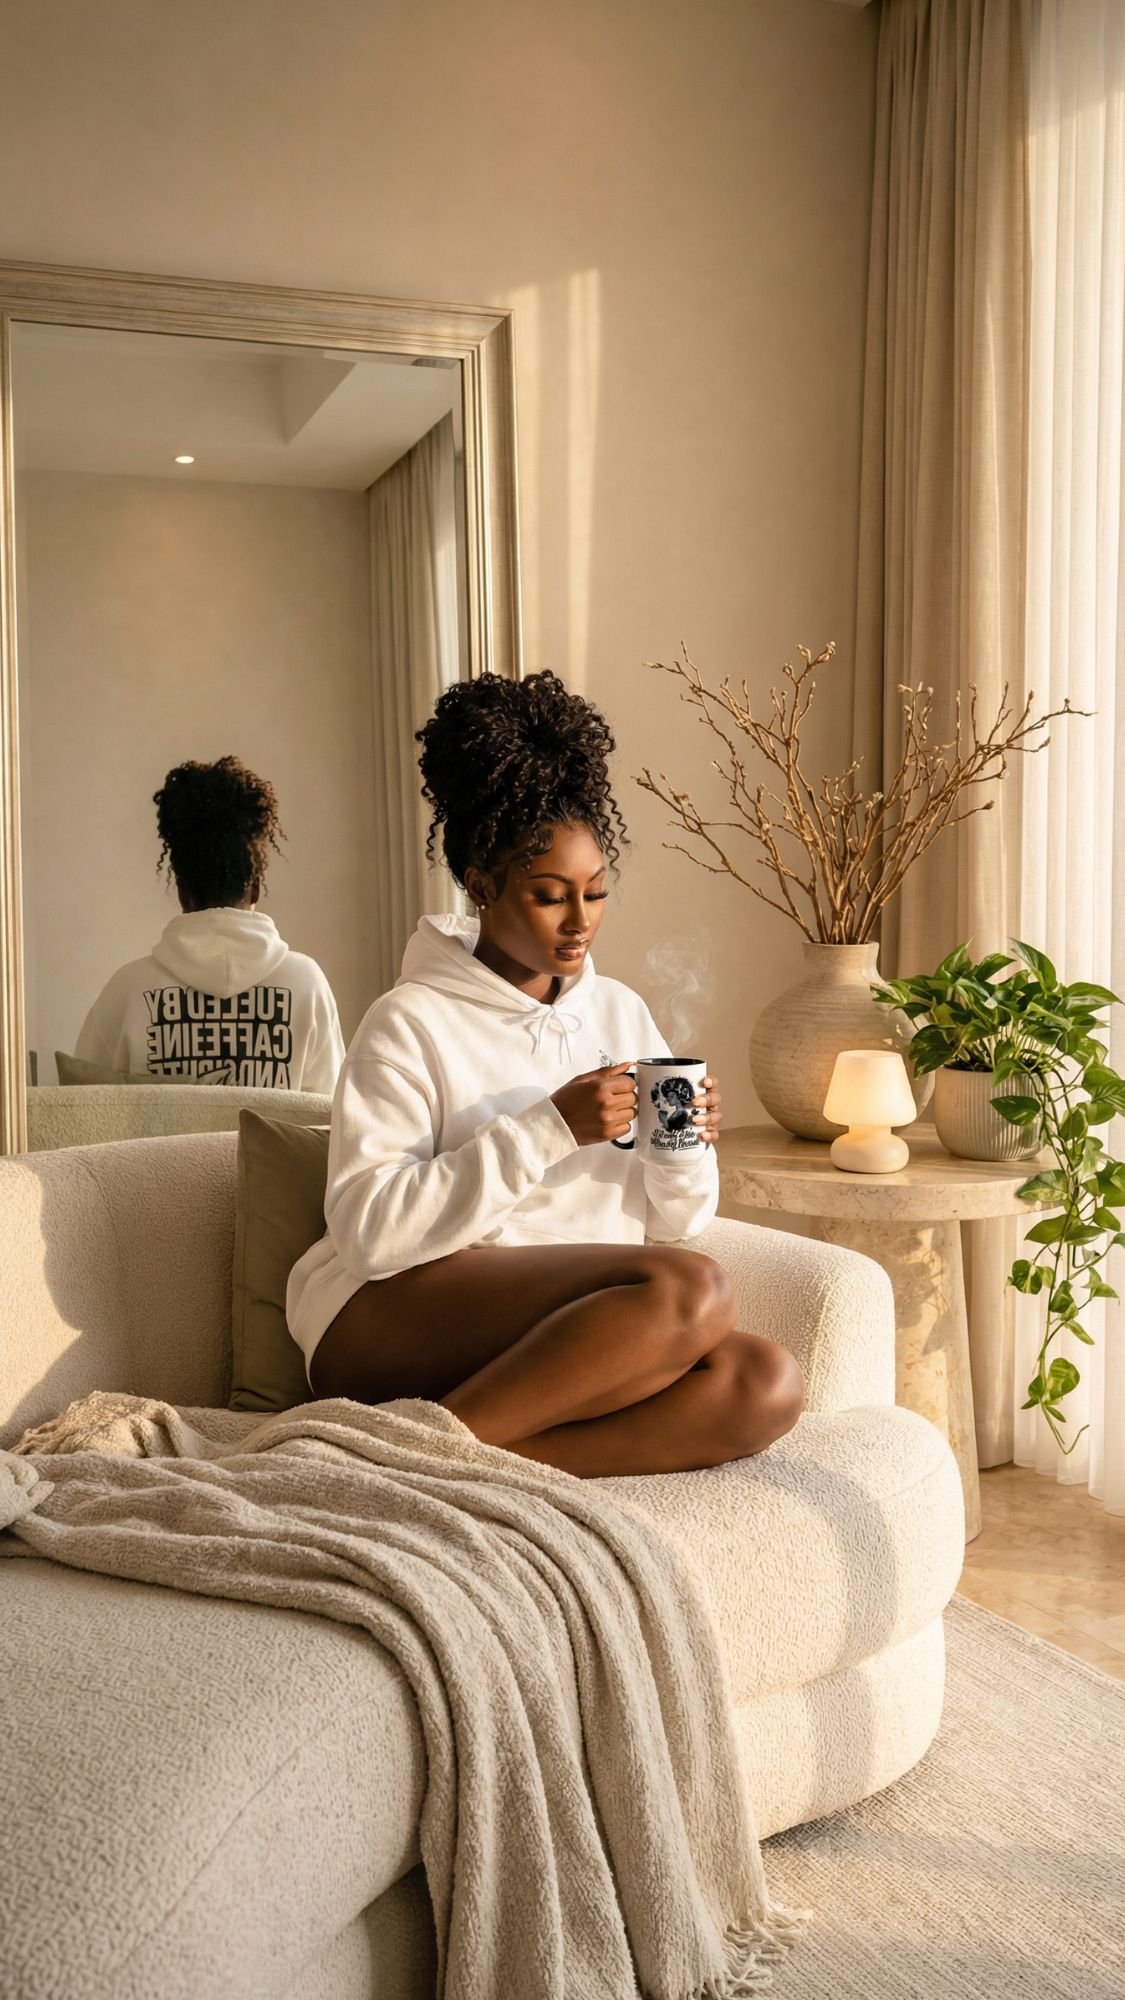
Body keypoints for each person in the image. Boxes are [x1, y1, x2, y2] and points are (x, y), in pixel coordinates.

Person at [287, 672, 803, 1476]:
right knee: (693, 1291)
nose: (579, 921)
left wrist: (685, 1146)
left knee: (764, 1381)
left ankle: (438, 1461)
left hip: (565, 1344)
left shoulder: (620, 1012)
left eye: (595, 893)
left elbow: (676, 1226)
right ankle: (426, 1450)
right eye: (549, 895)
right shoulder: (409, 1020)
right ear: (482, 887)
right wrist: (551, 1126)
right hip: (385, 1318)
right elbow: (371, 1236)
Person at [75, 755, 345, 1093]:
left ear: (182, 891)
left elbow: (83, 1119)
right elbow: (329, 1121)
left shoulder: (127, 991)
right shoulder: (307, 985)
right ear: (257, 885)